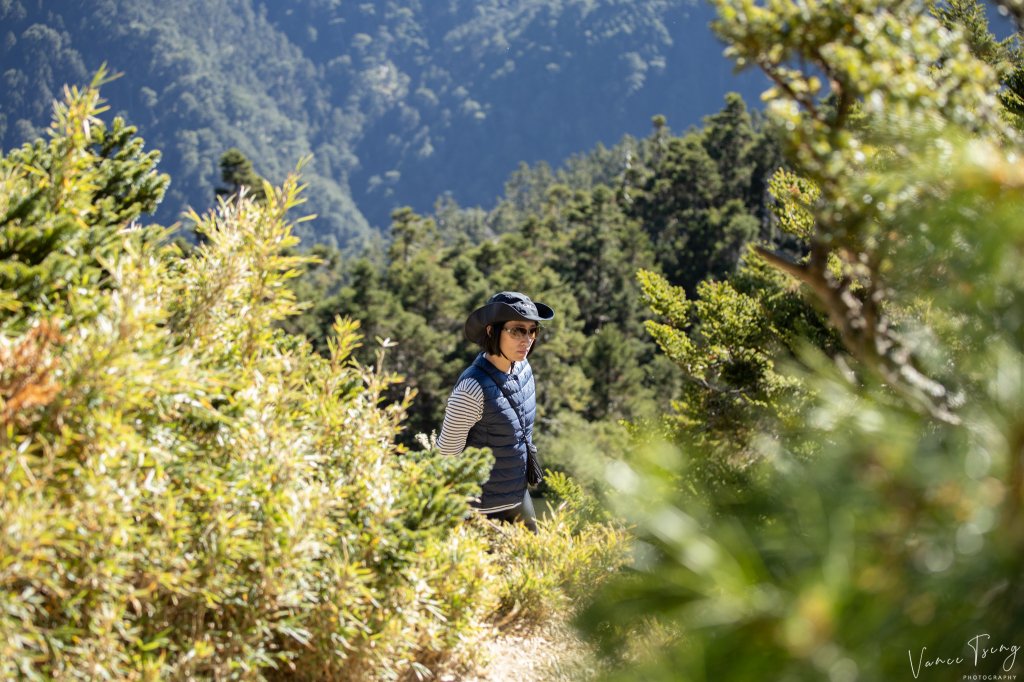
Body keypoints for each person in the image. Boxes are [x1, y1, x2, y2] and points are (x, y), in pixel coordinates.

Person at [437, 291, 555, 532]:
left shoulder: (523, 367)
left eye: (532, 330)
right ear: (491, 331)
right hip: (479, 510)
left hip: (518, 497)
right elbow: (446, 455)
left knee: (536, 565)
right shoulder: (471, 389)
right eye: (516, 330)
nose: (527, 339)